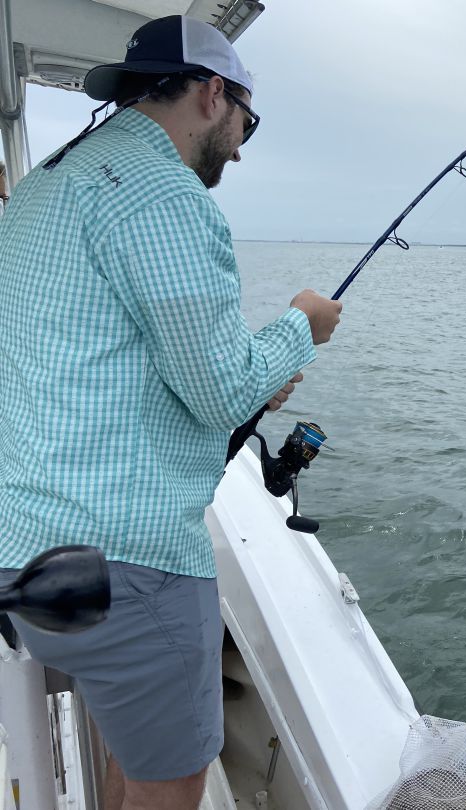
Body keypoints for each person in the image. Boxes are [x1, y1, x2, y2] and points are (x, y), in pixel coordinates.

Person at [0, 15, 341, 810]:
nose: (243, 145)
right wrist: (301, 327)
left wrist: (250, 374)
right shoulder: (164, 194)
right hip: (125, 565)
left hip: (26, 553)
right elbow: (222, 392)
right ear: (213, 92)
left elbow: (97, 348)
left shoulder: (49, 182)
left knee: (133, 748)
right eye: (245, 122)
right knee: (172, 781)